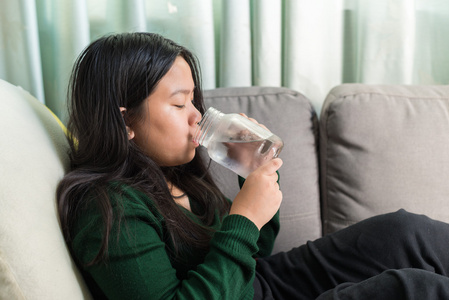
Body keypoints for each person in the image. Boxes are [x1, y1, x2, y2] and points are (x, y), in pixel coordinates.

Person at [57, 32, 449, 300]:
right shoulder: (108, 209)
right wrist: (243, 219)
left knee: (405, 233)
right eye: (179, 105)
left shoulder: (176, 175)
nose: (197, 116)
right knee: (412, 289)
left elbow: (253, 256)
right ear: (125, 122)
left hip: (261, 285)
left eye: (194, 101)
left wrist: (258, 178)